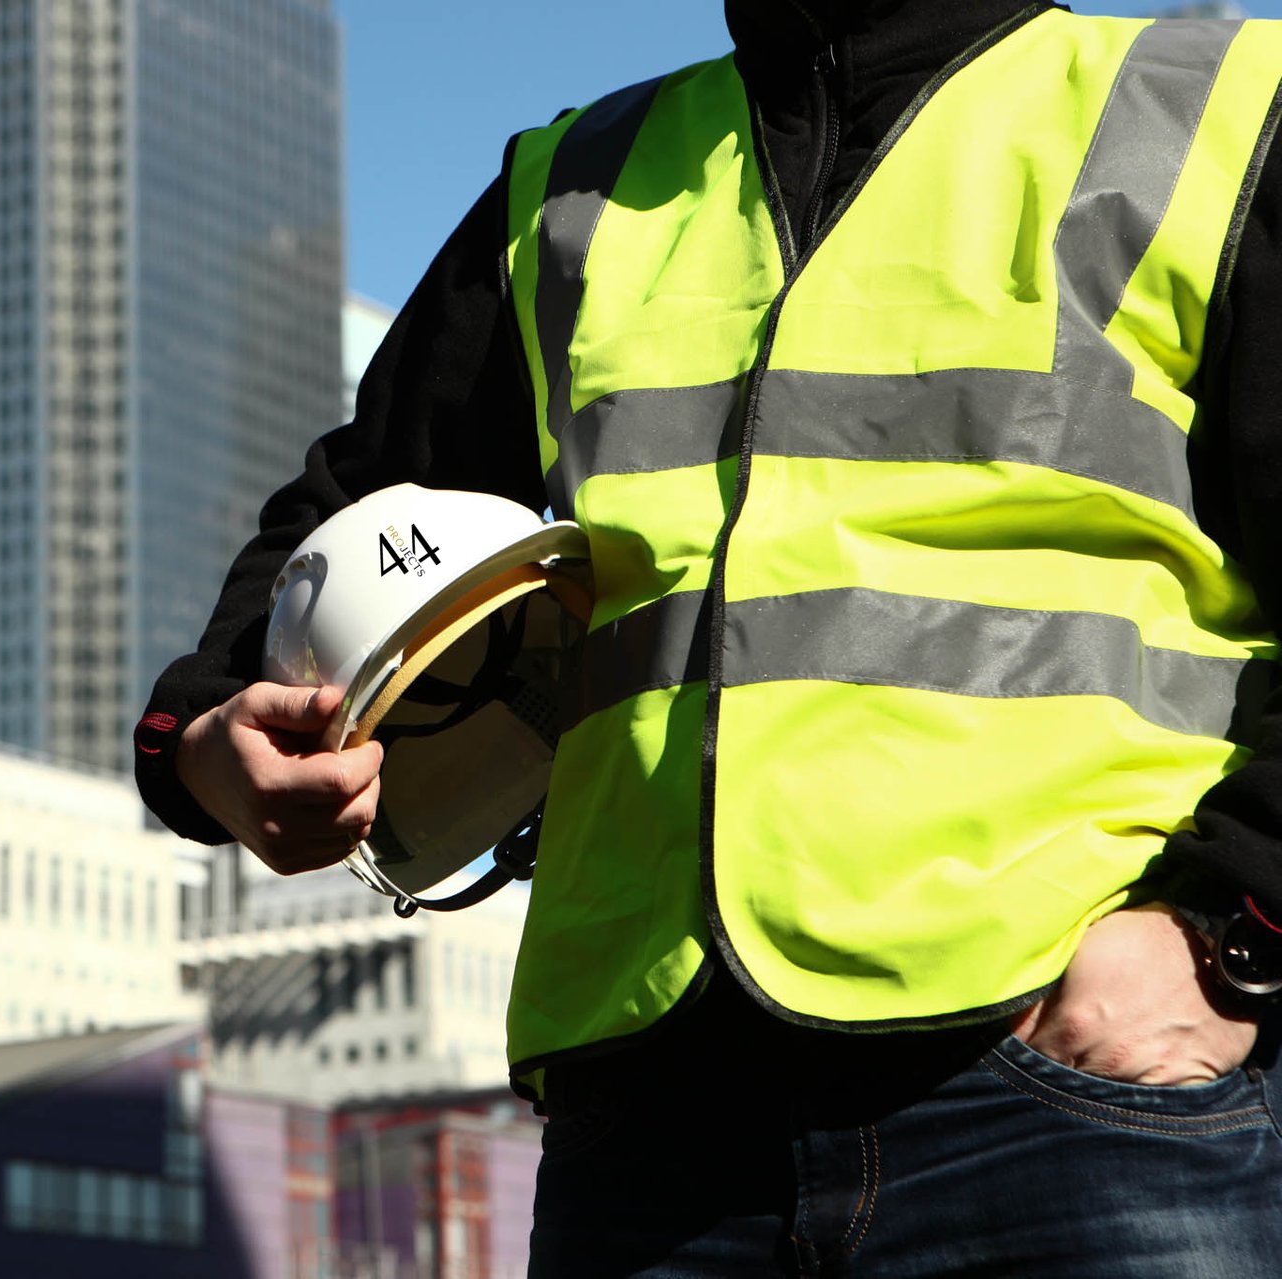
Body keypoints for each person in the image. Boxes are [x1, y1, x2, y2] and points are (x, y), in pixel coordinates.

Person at [135, 1, 1282, 1273]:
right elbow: (350, 515)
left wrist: (1230, 940)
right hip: (649, 1123)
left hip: (1080, 1083)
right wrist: (202, 737)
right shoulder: (570, 186)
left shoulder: (1217, 109)